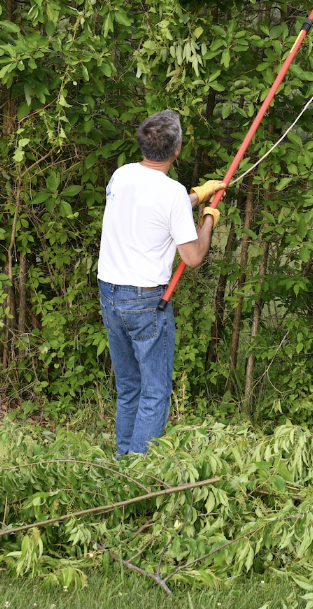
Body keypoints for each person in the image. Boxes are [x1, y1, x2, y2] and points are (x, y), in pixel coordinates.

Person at [97, 110, 225, 455]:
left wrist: (197, 195)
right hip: (144, 300)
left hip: (109, 292)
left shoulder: (121, 175)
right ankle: (136, 474)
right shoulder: (171, 193)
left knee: (129, 388)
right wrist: (209, 218)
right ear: (177, 149)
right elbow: (193, 257)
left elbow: (154, 207)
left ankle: (123, 461)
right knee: (154, 392)